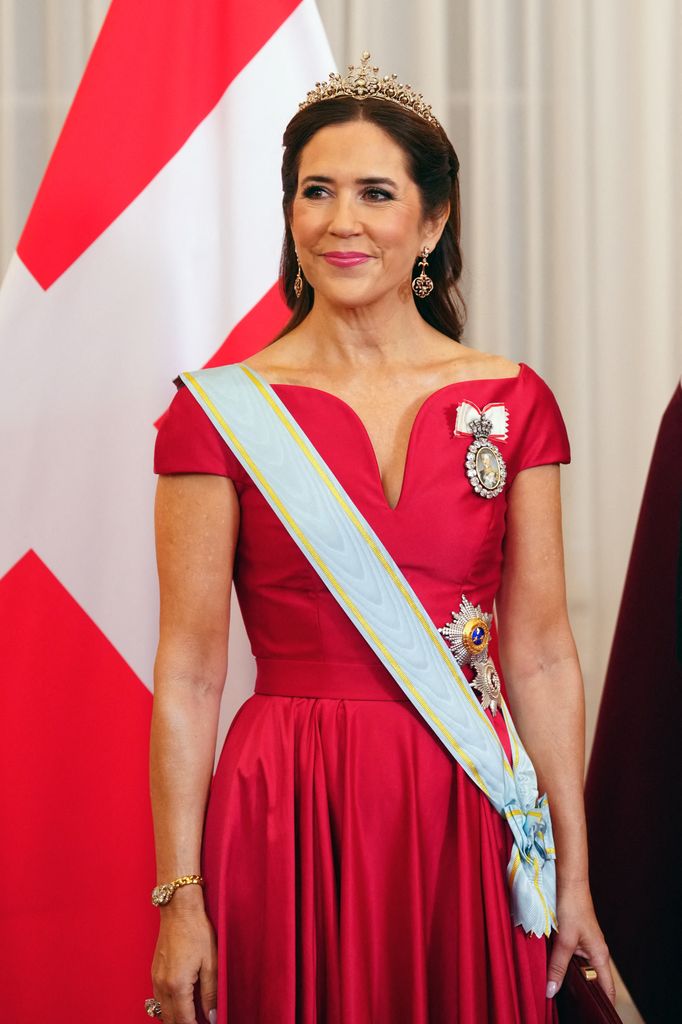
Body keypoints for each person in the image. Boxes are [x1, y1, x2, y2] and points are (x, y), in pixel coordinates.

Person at [148, 52, 614, 1024]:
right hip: (289, 804)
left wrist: (571, 871)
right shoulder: (219, 413)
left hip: (463, 799)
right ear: (289, 214)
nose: (341, 221)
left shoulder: (511, 400)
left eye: (374, 192)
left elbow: (538, 652)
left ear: (431, 222)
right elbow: (190, 673)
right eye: (315, 191)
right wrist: (179, 894)